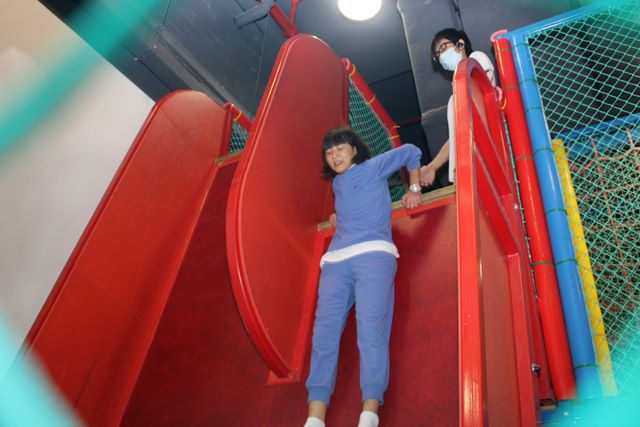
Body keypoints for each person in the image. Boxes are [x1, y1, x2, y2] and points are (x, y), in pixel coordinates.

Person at [303, 127, 422, 427]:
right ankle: (315, 417)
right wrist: (338, 217)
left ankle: (369, 413)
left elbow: (411, 152)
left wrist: (414, 189)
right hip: (336, 261)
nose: (334, 155)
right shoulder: (337, 184)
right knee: (323, 333)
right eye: (329, 152)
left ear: (354, 150)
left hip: (373, 255)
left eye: (340, 148)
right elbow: (354, 206)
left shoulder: (373, 167)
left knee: (371, 330)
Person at [419, 28, 501, 187]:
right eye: (437, 54)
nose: (441, 55)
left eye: (443, 47)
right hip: (466, 168)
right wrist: (433, 166)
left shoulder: (476, 58)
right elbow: (457, 135)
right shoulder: (454, 98)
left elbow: (478, 92)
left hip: (487, 154)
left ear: (460, 44)